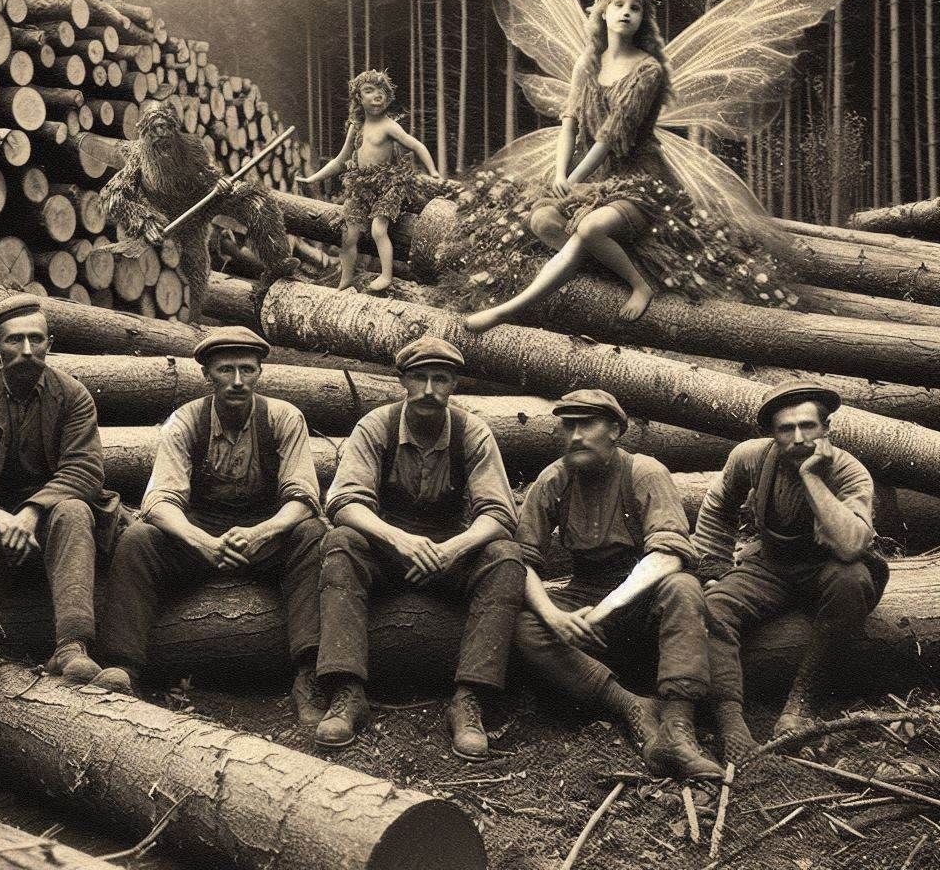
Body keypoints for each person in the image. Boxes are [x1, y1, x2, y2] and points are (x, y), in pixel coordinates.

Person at [459, 0, 788, 332]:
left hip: (638, 177)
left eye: (636, 8)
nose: (627, 13)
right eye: (618, 5)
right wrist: (558, 175)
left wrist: (573, 179)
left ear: (643, 19)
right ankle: (602, 266)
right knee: (542, 222)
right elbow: (570, 124)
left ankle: (631, 284)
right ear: (602, 12)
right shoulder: (586, 64)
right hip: (591, 175)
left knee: (589, 227)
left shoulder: (649, 71)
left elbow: (609, 137)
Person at [95, 327, 327, 726]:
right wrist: (201, 541)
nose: (238, 381)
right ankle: (123, 666)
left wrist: (262, 533)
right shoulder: (186, 420)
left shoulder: (285, 417)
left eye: (247, 370)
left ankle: (308, 673)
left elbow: (303, 498)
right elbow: (159, 500)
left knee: (311, 537)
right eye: (226, 370)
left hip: (264, 533)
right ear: (206, 374)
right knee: (138, 539)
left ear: (259, 373)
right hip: (201, 530)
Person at [314, 336, 524, 760]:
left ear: (454, 385)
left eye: (440, 379)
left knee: (506, 558)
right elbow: (343, 501)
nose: (430, 390)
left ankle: (469, 700)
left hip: (450, 551)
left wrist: (454, 549)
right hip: (387, 546)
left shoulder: (472, 432)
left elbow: (500, 513)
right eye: (420, 378)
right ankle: (347, 691)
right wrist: (399, 541)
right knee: (340, 543)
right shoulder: (377, 426)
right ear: (403, 382)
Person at [0, 295, 123, 745]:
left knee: (76, 506)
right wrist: (0, 516)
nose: (26, 350)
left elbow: (85, 470)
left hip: (53, 523)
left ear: (50, 343)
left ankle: (72, 646)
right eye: (13, 340)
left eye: (35, 339)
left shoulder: (73, 396)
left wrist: (31, 512)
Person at [513, 389, 723, 779]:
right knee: (523, 623)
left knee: (684, 587)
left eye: (587, 424)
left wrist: (606, 608)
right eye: (568, 425)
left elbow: (668, 554)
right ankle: (631, 706)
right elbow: (520, 560)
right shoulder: (554, 479)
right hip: (585, 591)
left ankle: (678, 726)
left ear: (615, 430)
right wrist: (554, 617)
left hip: (641, 595)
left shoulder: (644, 471)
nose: (575, 436)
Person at [694, 382, 889, 765]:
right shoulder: (749, 458)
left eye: (808, 426)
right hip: (772, 564)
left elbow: (851, 545)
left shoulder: (850, 472)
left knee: (851, 580)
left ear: (826, 428)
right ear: (771, 433)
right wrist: (714, 567)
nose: (798, 437)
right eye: (786, 429)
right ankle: (731, 720)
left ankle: (802, 703)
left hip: (830, 567)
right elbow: (718, 507)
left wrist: (812, 477)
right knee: (713, 606)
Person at [100, 92, 300, 322]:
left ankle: (277, 262)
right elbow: (111, 194)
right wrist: (144, 221)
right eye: (153, 130)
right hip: (171, 218)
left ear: (173, 127)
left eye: (165, 127)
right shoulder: (137, 156)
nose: (160, 135)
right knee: (195, 270)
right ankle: (193, 321)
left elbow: (209, 175)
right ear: (144, 133)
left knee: (255, 198)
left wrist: (220, 182)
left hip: (202, 202)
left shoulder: (191, 145)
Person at [296, 70, 441, 293]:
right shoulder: (357, 127)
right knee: (349, 235)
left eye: (381, 91)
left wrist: (433, 172)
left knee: (377, 230)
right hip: (361, 187)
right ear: (358, 98)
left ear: (388, 96)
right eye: (369, 91)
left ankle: (386, 276)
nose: (377, 96)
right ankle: (345, 280)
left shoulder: (389, 126)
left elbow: (417, 145)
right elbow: (340, 160)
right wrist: (311, 178)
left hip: (388, 186)